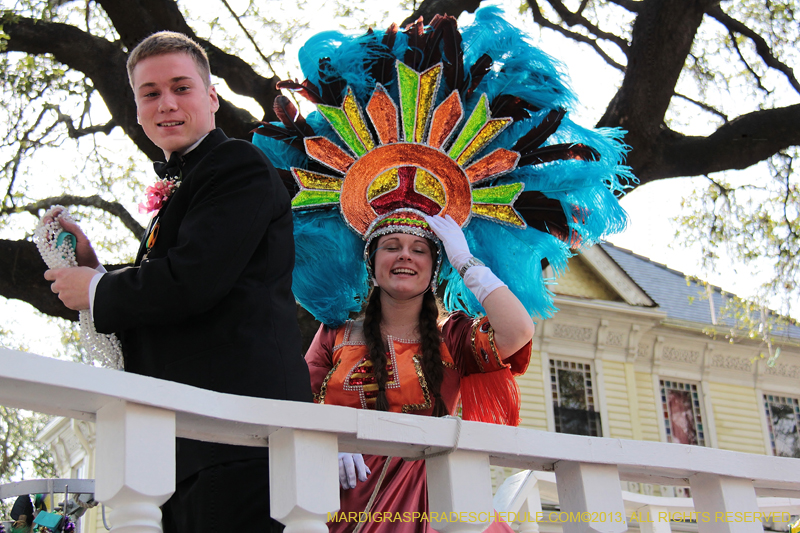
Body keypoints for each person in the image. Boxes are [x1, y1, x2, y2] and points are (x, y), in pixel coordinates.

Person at [43, 31, 310, 532]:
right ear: (138, 108)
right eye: (150, 93)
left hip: (241, 438)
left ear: (212, 97)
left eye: (181, 87)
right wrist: (95, 269)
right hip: (186, 445)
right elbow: (172, 298)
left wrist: (99, 291)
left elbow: (193, 281)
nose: (166, 103)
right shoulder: (189, 182)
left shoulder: (238, 165)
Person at [305, 209, 535, 532]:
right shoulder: (334, 334)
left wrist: (464, 261)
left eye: (419, 249)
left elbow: (518, 332)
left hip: (431, 511)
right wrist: (329, 438)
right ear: (372, 262)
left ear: (434, 266)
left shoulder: (453, 338)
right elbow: (297, 402)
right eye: (391, 246)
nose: (405, 256)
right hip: (340, 505)